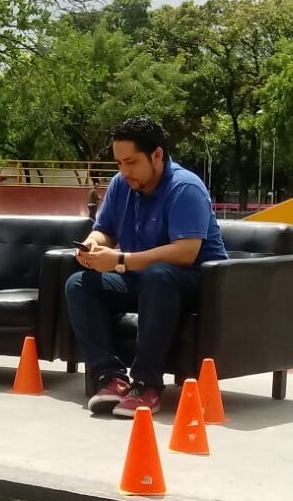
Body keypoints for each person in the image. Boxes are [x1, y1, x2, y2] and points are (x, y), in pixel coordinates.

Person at [65, 116, 227, 418]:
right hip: (142, 276)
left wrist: (121, 260)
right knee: (79, 284)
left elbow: (185, 252)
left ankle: (147, 385)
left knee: (158, 276)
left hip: (197, 282)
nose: (124, 171)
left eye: (131, 162)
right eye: (119, 163)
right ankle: (110, 377)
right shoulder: (120, 185)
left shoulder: (185, 187)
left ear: (157, 155)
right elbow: (106, 230)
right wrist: (92, 243)